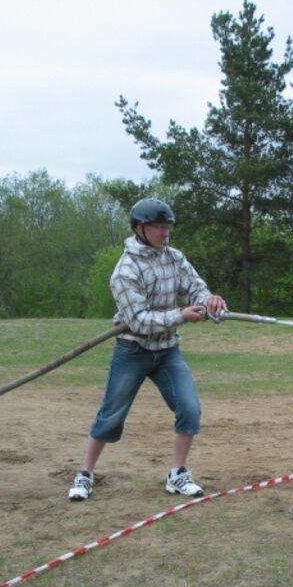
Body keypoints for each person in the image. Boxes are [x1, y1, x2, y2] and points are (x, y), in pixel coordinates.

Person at [68, 197, 228, 501]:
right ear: (140, 228)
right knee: (111, 415)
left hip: (168, 351)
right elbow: (139, 321)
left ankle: (177, 474)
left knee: (190, 409)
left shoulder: (175, 258)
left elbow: (195, 286)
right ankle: (85, 474)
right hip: (133, 350)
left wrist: (210, 300)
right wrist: (180, 316)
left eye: (167, 226)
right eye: (158, 226)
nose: (165, 232)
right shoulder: (124, 272)